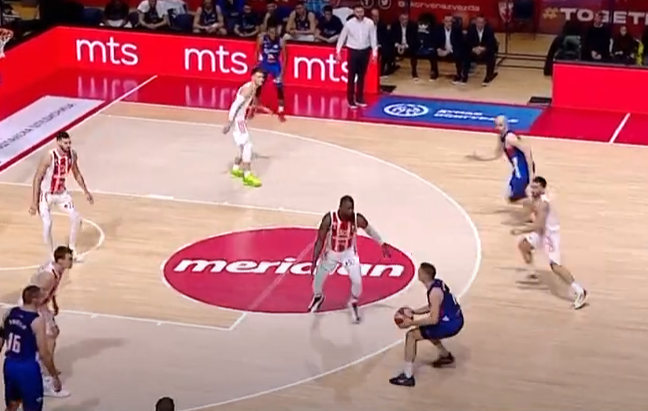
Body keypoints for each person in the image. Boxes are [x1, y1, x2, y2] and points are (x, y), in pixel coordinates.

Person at [308, 195, 390, 323]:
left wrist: (381, 243)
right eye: (348, 209)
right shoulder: (329, 219)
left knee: (357, 281)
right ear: (340, 208)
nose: (351, 211)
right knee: (318, 278)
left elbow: (370, 230)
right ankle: (318, 296)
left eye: (352, 208)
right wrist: (314, 260)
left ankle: (353, 301)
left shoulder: (357, 219)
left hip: (348, 253)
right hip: (331, 253)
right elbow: (320, 240)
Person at [510, 177, 588, 309]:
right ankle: (532, 273)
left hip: (549, 236)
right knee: (523, 246)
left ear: (542, 189)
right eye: (532, 187)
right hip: (541, 233)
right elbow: (528, 206)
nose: (533, 189)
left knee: (555, 266)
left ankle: (580, 291)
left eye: (536, 187)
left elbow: (538, 225)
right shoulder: (534, 199)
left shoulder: (543, 205)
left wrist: (520, 230)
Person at [389, 262, 464, 387]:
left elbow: (433, 320)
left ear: (424, 275)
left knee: (411, 335)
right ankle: (445, 356)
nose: (418, 273)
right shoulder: (438, 284)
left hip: (450, 324)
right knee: (426, 330)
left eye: (420, 271)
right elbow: (434, 306)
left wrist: (411, 323)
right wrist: (414, 311)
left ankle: (407, 376)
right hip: (455, 318)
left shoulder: (434, 293)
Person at [29, 131, 94, 261]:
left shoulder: (72, 155)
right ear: (58, 142)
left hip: (61, 193)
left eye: (69, 143)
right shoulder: (49, 157)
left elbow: (77, 174)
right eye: (65, 143)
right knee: (47, 224)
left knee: (76, 218)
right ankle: (51, 255)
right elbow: (37, 178)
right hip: (46, 195)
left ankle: (72, 250)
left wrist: (86, 191)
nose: (68, 145)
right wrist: (34, 202)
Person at [2, 285, 62, 411]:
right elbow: (44, 353)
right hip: (28, 369)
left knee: (12, 404)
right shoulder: (37, 320)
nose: (44, 298)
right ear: (35, 300)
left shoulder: (9, 312)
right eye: (41, 297)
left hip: (9, 365)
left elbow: (1, 337)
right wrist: (54, 376)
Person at [25, 246, 73, 398]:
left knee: (53, 332)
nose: (71, 261)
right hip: (33, 305)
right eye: (69, 259)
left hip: (41, 303)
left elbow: (50, 291)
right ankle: (43, 372)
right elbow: (34, 294)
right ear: (60, 260)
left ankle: (45, 365)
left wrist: (54, 303)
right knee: (45, 337)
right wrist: (36, 315)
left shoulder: (59, 270)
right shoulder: (48, 276)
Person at [469, 115, 535, 208]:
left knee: (513, 198)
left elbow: (527, 150)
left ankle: (538, 204)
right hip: (518, 170)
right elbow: (497, 154)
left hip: (522, 171)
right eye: (496, 125)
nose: (497, 128)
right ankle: (534, 207)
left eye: (500, 125)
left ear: (506, 125)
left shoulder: (510, 138)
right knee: (514, 197)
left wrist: (531, 175)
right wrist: (479, 158)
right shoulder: (502, 137)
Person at [222, 69, 265, 188]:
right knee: (247, 146)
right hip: (238, 120)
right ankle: (247, 175)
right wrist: (229, 122)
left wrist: (252, 110)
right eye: (259, 77)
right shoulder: (248, 89)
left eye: (262, 77)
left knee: (243, 146)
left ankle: (236, 168)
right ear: (252, 77)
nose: (261, 79)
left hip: (240, 119)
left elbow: (246, 104)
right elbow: (235, 105)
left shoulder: (254, 88)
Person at [335, 3, 378, 109]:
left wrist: (374, 52)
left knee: (362, 76)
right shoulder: (349, 24)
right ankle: (350, 99)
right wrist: (338, 51)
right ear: (354, 12)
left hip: (365, 51)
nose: (360, 14)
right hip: (353, 51)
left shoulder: (369, 23)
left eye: (361, 12)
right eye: (357, 12)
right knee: (351, 76)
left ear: (364, 11)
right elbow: (342, 37)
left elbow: (373, 38)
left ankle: (359, 98)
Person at [255, 23, 286, 115]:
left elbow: (285, 57)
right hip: (265, 63)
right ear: (268, 32)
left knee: (279, 85)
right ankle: (256, 104)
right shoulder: (262, 39)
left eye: (275, 32)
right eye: (271, 32)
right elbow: (257, 51)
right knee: (259, 84)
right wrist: (257, 64)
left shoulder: (280, 41)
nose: (273, 34)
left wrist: (282, 71)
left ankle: (281, 107)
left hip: (275, 65)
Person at [463, 15, 498, 85]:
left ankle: (488, 76)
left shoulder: (489, 30)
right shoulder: (471, 29)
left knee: (491, 55)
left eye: (482, 22)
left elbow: (492, 43)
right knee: (465, 53)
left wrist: (483, 48)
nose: (480, 24)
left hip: (485, 50)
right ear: (475, 22)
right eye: (478, 22)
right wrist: (473, 48)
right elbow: (467, 41)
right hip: (474, 50)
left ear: (485, 23)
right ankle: (464, 75)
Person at [433, 14, 464, 83]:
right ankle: (435, 72)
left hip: (452, 51)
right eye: (446, 21)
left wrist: (448, 51)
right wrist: (438, 49)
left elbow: (459, 44)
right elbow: (434, 41)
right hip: (442, 50)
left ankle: (459, 74)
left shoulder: (457, 30)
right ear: (443, 21)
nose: (449, 23)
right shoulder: (438, 29)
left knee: (458, 54)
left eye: (450, 21)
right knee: (432, 52)